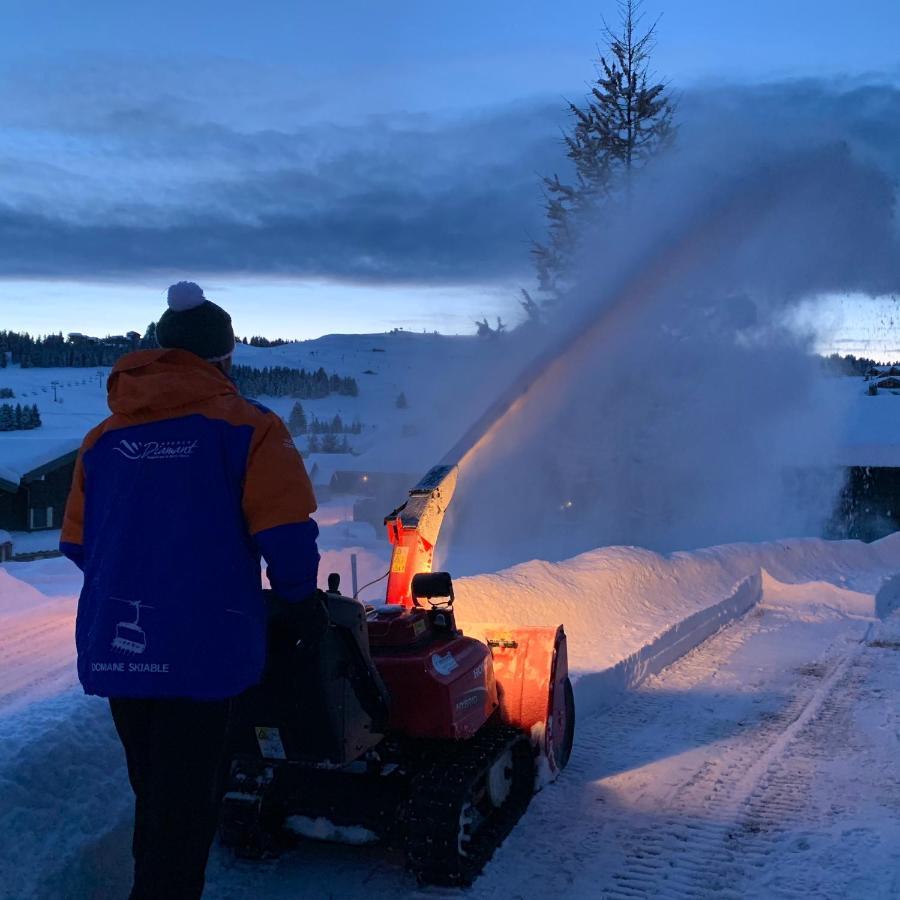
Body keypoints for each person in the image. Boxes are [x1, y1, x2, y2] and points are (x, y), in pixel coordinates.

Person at [60, 281, 320, 899]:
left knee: (155, 795)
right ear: (223, 358)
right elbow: (285, 534)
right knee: (185, 808)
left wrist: (140, 573)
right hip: (203, 649)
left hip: (118, 647)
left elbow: (76, 545)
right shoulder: (249, 426)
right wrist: (296, 602)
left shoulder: (102, 439)